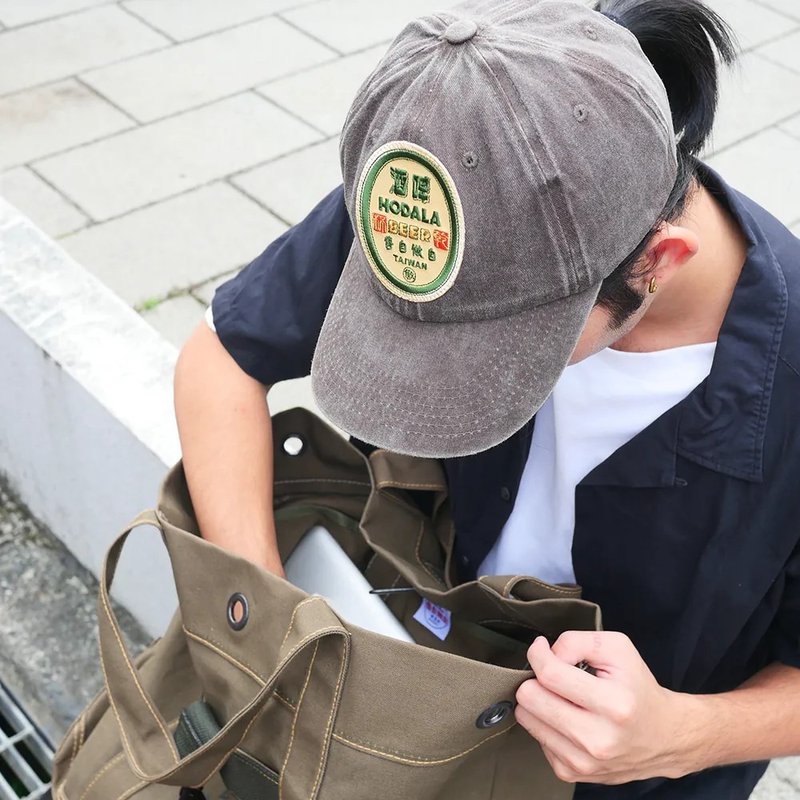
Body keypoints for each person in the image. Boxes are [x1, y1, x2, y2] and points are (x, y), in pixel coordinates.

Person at [173, 0, 800, 797]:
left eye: (501, 347)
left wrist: (682, 736)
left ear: (658, 262)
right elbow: (220, 356)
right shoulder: (450, 202)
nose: (446, 369)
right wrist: (266, 623)